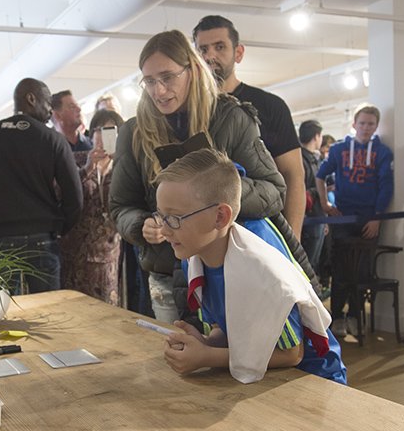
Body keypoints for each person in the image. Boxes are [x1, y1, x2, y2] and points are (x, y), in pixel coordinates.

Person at [109, 29, 287, 324]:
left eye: (167, 77)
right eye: (150, 81)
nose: (159, 91)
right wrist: (143, 225)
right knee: (179, 362)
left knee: (242, 363)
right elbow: (120, 206)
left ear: (191, 70)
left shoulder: (231, 117)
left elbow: (274, 191)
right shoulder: (133, 132)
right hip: (167, 273)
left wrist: (218, 189)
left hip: (230, 272)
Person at [155, 148, 345, 384]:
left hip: (313, 379)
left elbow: (293, 354)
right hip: (264, 376)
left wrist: (208, 357)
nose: (163, 230)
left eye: (174, 218)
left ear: (220, 217)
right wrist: (206, 343)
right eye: (160, 216)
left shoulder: (262, 272)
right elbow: (225, 327)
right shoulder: (193, 261)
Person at [0, 78, 83, 294]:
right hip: (43, 238)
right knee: (47, 313)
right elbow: (74, 196)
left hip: (0, 239)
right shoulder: (53, 140)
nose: (50, 111)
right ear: (31, 98)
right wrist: (58, 227)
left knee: (5, 313)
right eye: (48, 102)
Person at [192, 15, 306, 239]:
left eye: (219, 47)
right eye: (202, 49)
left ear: (239, 53)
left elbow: (293, 176)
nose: (210, 56)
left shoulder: (270, 106)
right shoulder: (188, 110)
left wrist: (294, 242)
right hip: (204, 238)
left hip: (262, 233)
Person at [316, 103, 394, 333]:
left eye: (371, 124)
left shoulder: (383, 152)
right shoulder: (340, 149)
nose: (366, 128)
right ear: (354, 124)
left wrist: (377, 217)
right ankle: (337, 316)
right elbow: (320, 175)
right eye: (362, 123)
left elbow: (385, 187)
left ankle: (355, 316)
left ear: (376, 126)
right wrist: (325, 203)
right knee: (340, 269)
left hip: (368, 218)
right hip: (343, 217)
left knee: (362, 271)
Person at [61, 109, 125, 305]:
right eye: (99, 129)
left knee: (106, 310)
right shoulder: (76, 159)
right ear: (91, 132)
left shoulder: (123, 166)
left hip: (107, 254)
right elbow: (63, 194)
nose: (103, 135)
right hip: (74, 252)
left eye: (110, 130)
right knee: (73, 310)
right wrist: (88, 168)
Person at [299, 119, 327, 270]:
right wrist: (321, 189)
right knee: (309, 265)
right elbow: (301, 189)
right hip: (310, 218)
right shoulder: (303, 160)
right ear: (316, 136)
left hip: (317, 217)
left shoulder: (313, 159)